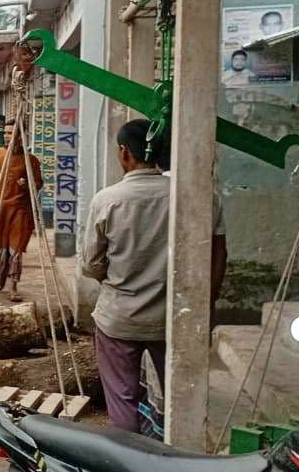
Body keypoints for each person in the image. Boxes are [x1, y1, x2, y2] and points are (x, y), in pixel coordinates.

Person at [82, 119, 227, 433]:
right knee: (181, 397)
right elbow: (218, 255)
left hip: (119, 318)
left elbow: (91, 265)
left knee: (122, 401)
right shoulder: (202, 196)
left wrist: (124, 277)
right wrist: (205, 305)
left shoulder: (107, 200)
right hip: (176, 318)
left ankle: (128, 457)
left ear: (124, 153)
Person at [0, 120, 44, 302]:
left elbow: (39, 183)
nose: (9, 136)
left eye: (13, 133)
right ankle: (1, 273)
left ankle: (14, 286)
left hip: (20, 209)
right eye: (7, 133)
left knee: (15, 250)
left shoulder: (30, 159)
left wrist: (27, 184)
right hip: (0, 209)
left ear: (22, 136)